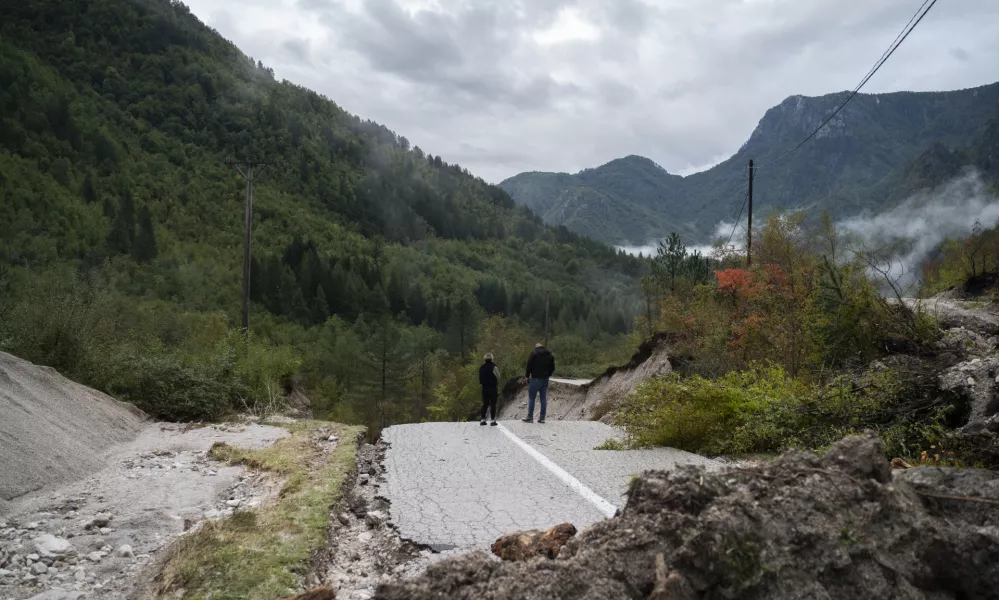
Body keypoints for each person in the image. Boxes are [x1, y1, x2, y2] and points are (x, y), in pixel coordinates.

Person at [522, 343, 555, 423]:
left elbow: (529, 365)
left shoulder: (534, 353)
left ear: (536, 347)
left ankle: (530, 417)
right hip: (545, 379)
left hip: (535, 379)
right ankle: (542, 418)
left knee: (532, 398)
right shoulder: (550, 355)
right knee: (543, 399)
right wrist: (548, 374)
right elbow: (553, 367)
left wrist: (527, 376)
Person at [479, 353, 500, 426]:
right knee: (493, 404)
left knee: (485, 404)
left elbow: (480, 378)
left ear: (484, 359)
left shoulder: (482, 367)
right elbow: (498, 376)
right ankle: (492, 420)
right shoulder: (494, 367)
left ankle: (482, 420)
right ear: (492, 359)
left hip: (484, 388)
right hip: (493, 388)